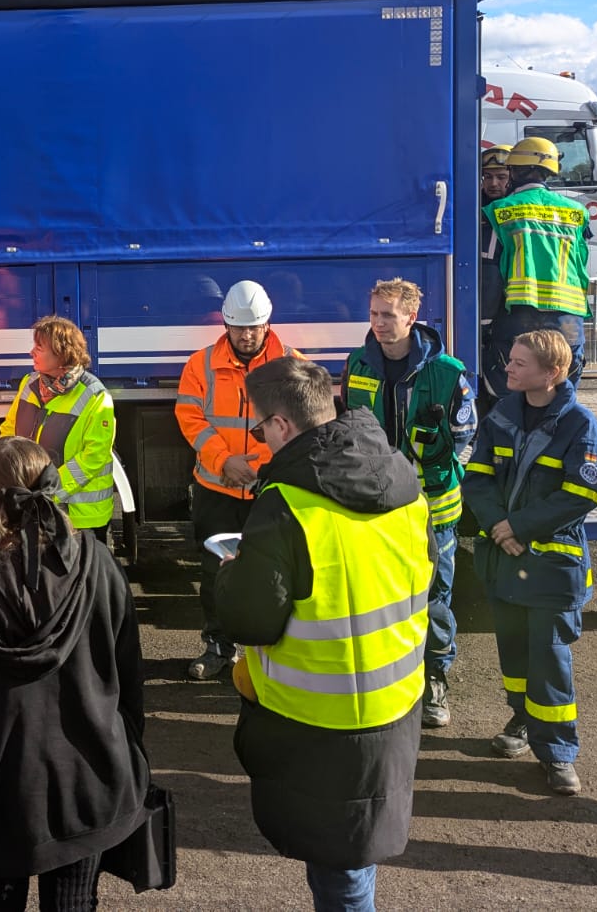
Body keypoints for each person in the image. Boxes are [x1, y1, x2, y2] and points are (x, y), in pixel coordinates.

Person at [212, 357, 431, 912]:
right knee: (356, 855)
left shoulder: (286, 503)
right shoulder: (402, 477)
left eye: (260, 428)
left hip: (319, 721)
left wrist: (232, 574)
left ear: (282, 424)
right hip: (396, 703)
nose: (260, 439)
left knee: (341, 874)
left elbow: (249, 620)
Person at [0, 436, 149, 911]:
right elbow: (128, 674)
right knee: (74, 902)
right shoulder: (98, 562)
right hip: (91, 775)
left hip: (1, 780)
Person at [462, 328, 597, 797]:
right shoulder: (501, 415)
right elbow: (476, 478)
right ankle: (522, 719)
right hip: (505, 560)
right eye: (510, 360)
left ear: (553, 372)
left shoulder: (579, 424)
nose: (507, 368)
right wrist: (498, 525)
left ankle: (558, 752)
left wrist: (516, 528)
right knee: (514, 653)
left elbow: (582, 493)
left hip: (549, 566)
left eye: (519, 363)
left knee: (549, 660)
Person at [340, 278, 475, 729]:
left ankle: (435, 678)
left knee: (433, 599)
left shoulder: (448, 372)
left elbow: (465, 440)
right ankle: (384, 675)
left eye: (388, 315)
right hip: (376, 505)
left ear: (412, 317)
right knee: (376, 595)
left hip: (432, 509)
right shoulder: (357, 363)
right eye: (374, 313)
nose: (378, 323)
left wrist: (432, 471)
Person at [175, 279, 303, 680]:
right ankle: (218, 647)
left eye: (254, 327)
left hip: (272, 488)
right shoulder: (200, 365)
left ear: (267, 324)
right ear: (225, 324)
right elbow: (190, 419)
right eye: (238, 328)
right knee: (216, 572)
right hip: (218, 487)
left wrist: (263, 470)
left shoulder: (292, 365)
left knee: (278, 572)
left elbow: (303, 426)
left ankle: (275, 652)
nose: (246, 335)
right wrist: (225, 461)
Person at [483, 137, 591, 397]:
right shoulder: (577, 212)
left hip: (522, 312)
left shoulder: (500, 210)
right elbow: (581, 261)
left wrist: (484, 322)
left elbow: (491, 273)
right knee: (563, 384)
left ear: (514, 171)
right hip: (569, 315)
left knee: (512, 386)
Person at [0, 315, 118, 543]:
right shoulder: (29, 384)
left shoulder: (95, 395)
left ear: (61, 354)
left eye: (39, 347)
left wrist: (48, 490)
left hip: (80, 519)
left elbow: (94, 456)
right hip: (37, 509)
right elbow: (9, 431)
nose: (31, 352)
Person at [477, 144, 512, 417]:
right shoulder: (476, 208)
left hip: (508, 311)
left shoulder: (512, 211)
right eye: (487, 177)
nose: (493, 184)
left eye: (501, 177)